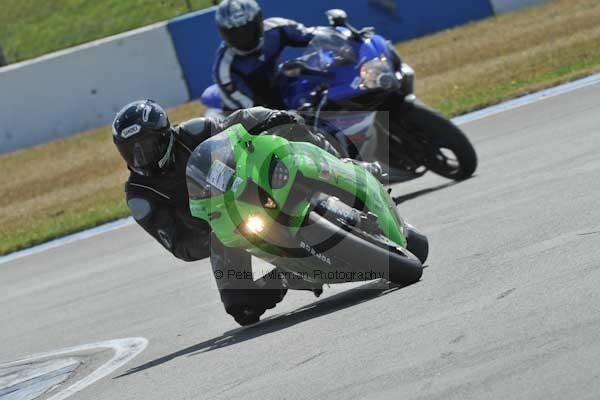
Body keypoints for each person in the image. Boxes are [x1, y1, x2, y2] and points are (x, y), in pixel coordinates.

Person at [113, 101, 373, 325]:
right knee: (242, 308)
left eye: (145, 145)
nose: (140, 157)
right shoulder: (139, 195)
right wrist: (214, 234)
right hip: (225, 228)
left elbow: (238, 122)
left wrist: (269, 117)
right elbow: (180, 245)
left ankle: (351, 170)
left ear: (164, 134)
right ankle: (287, 276)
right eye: (130, 151)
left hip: (255, 184)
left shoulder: (195, 131)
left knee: (291, 138)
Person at [213, 0, 315, 110]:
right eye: (234, 33)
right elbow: (249, 109)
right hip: (246, 113)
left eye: (247, 30)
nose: (243, 39)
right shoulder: (224, 68)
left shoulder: (277, 28)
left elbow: (313, 35)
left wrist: (334, 31)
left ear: (259, 22)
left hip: (277, 88)